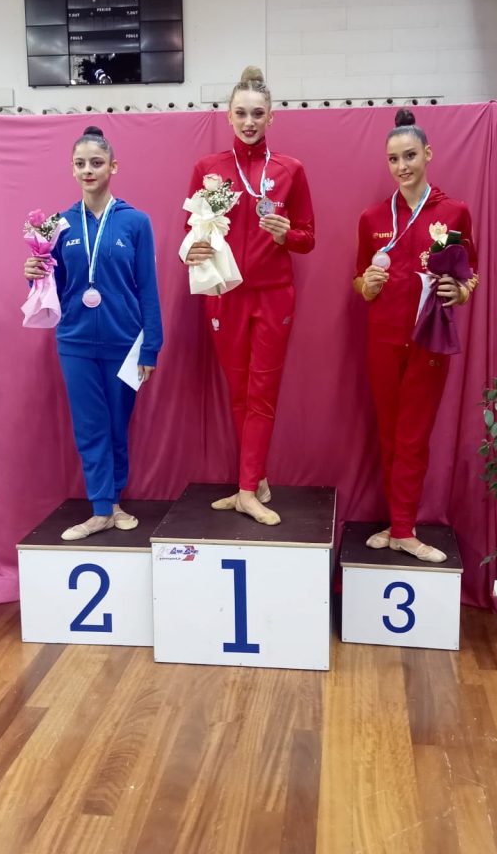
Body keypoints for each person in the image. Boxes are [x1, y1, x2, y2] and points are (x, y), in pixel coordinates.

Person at [184, 66, 315, 525]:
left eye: (258, 113)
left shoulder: (290, 170)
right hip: (224, 293)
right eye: (241, 113)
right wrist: (192, 249)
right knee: (238, 393)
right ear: (228, 115)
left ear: (271, 117)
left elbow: (308, 238)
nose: (249, 121)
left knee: (262, 392)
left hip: (274, 295)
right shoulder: (208, 170)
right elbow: (190, 234)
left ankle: (244, 492)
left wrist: (286, 235)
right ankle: (254, 480)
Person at [24, 125, 162, 541]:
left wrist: (151, 347)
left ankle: (114, 502)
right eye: (81, 163)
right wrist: (32, 274)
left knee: (118, 425)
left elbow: (148, 288)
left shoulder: (136, 222)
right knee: (90, 426)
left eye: (97, 163)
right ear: (72, 169)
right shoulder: (58, 226)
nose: (88, 170)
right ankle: (101, 508)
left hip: (126, 343)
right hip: (76, 343)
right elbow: (52, 285)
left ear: (113, 167)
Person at [354, 109, 478, 562]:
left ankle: (405, 529)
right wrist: (367, 285)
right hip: (382, 340)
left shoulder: (453, 213)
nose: (402, 166)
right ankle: (397, 523)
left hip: (429, 340)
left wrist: (459, 291)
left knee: (412, 438)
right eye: (393, 159)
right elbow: (358, 281)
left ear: (428, 154)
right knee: (389, 436)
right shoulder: (372, 217)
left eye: (409, 155)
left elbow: (469, 275)